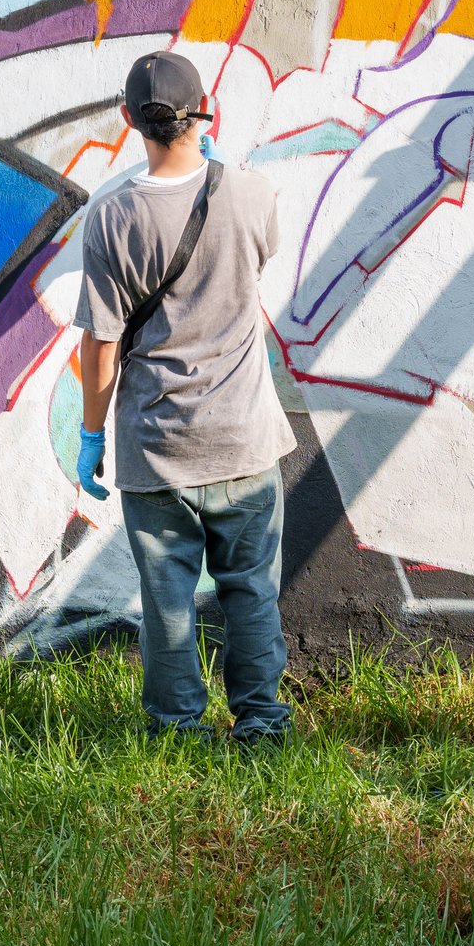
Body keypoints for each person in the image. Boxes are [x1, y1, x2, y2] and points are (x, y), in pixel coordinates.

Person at [73, 51, 297, 743]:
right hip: (244, 440)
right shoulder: (252, 193)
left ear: (127, 120)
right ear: (205, 109)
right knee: (251, 590)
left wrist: (91, 436)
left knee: (166, 600)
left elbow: (101, 344)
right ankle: (261, 725)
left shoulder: (111, 213)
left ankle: (176, 731)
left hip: (158, 446)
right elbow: (257, 260)